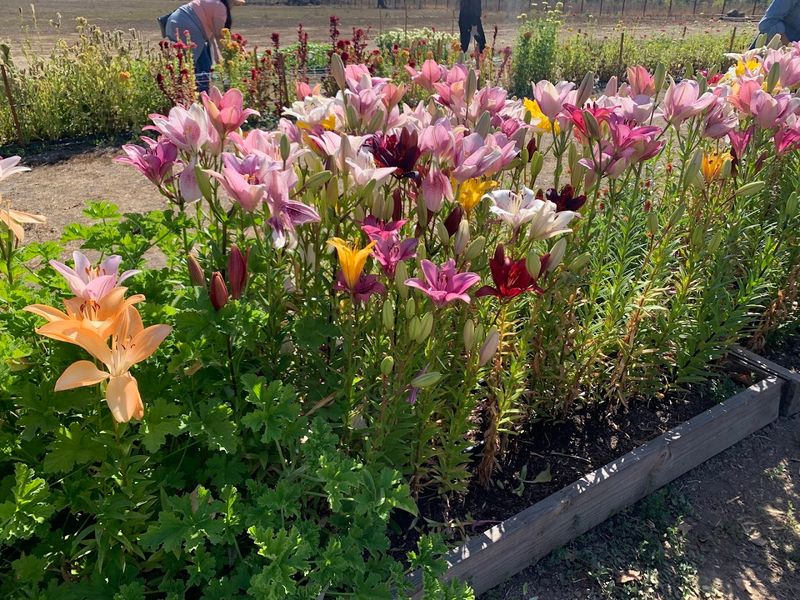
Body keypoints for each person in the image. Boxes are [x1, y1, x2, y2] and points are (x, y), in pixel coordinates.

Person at [164, 0, 244, 91]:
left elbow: (213, 40)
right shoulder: (220, 7)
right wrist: (227, 58)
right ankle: (203, 96)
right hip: (186, 26)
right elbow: (219, 36)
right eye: (234, 4)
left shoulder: (213, 4)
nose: (232, 8)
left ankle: (189, 92)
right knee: (203, 66)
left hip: (174, 22)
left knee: (195, 64)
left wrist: (219, 59)